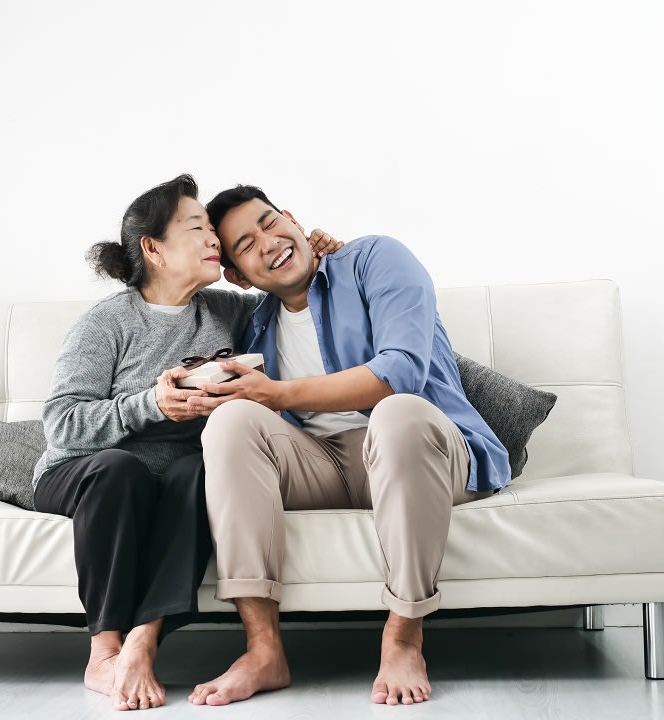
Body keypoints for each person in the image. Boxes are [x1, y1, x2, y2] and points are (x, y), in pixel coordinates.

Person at [183, 185, 511, 707]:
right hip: (321, 463)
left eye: (271, 223)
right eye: (245, 245)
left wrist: (280, 393)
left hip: (421, 450)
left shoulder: (376, 259)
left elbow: (400, 371)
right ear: (238, 277)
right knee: (230, 421)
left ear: (293, 217)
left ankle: (404, 635)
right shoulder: (255, 323)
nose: (268, 243)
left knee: (397, 411)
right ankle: (263, 650)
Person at [31, 174, 340, 711]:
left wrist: (321, 256)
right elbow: (62, 422)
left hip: (178, 476)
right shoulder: (105, 324)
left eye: (212, 232)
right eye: (197, 228)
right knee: (121, 470)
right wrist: (150, 405)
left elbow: (292, 297)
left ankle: (141, 642)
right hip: (86, 474)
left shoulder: (228, 312)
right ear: (153, 249)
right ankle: (102, 651)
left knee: (198, 470)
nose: (213, 241)